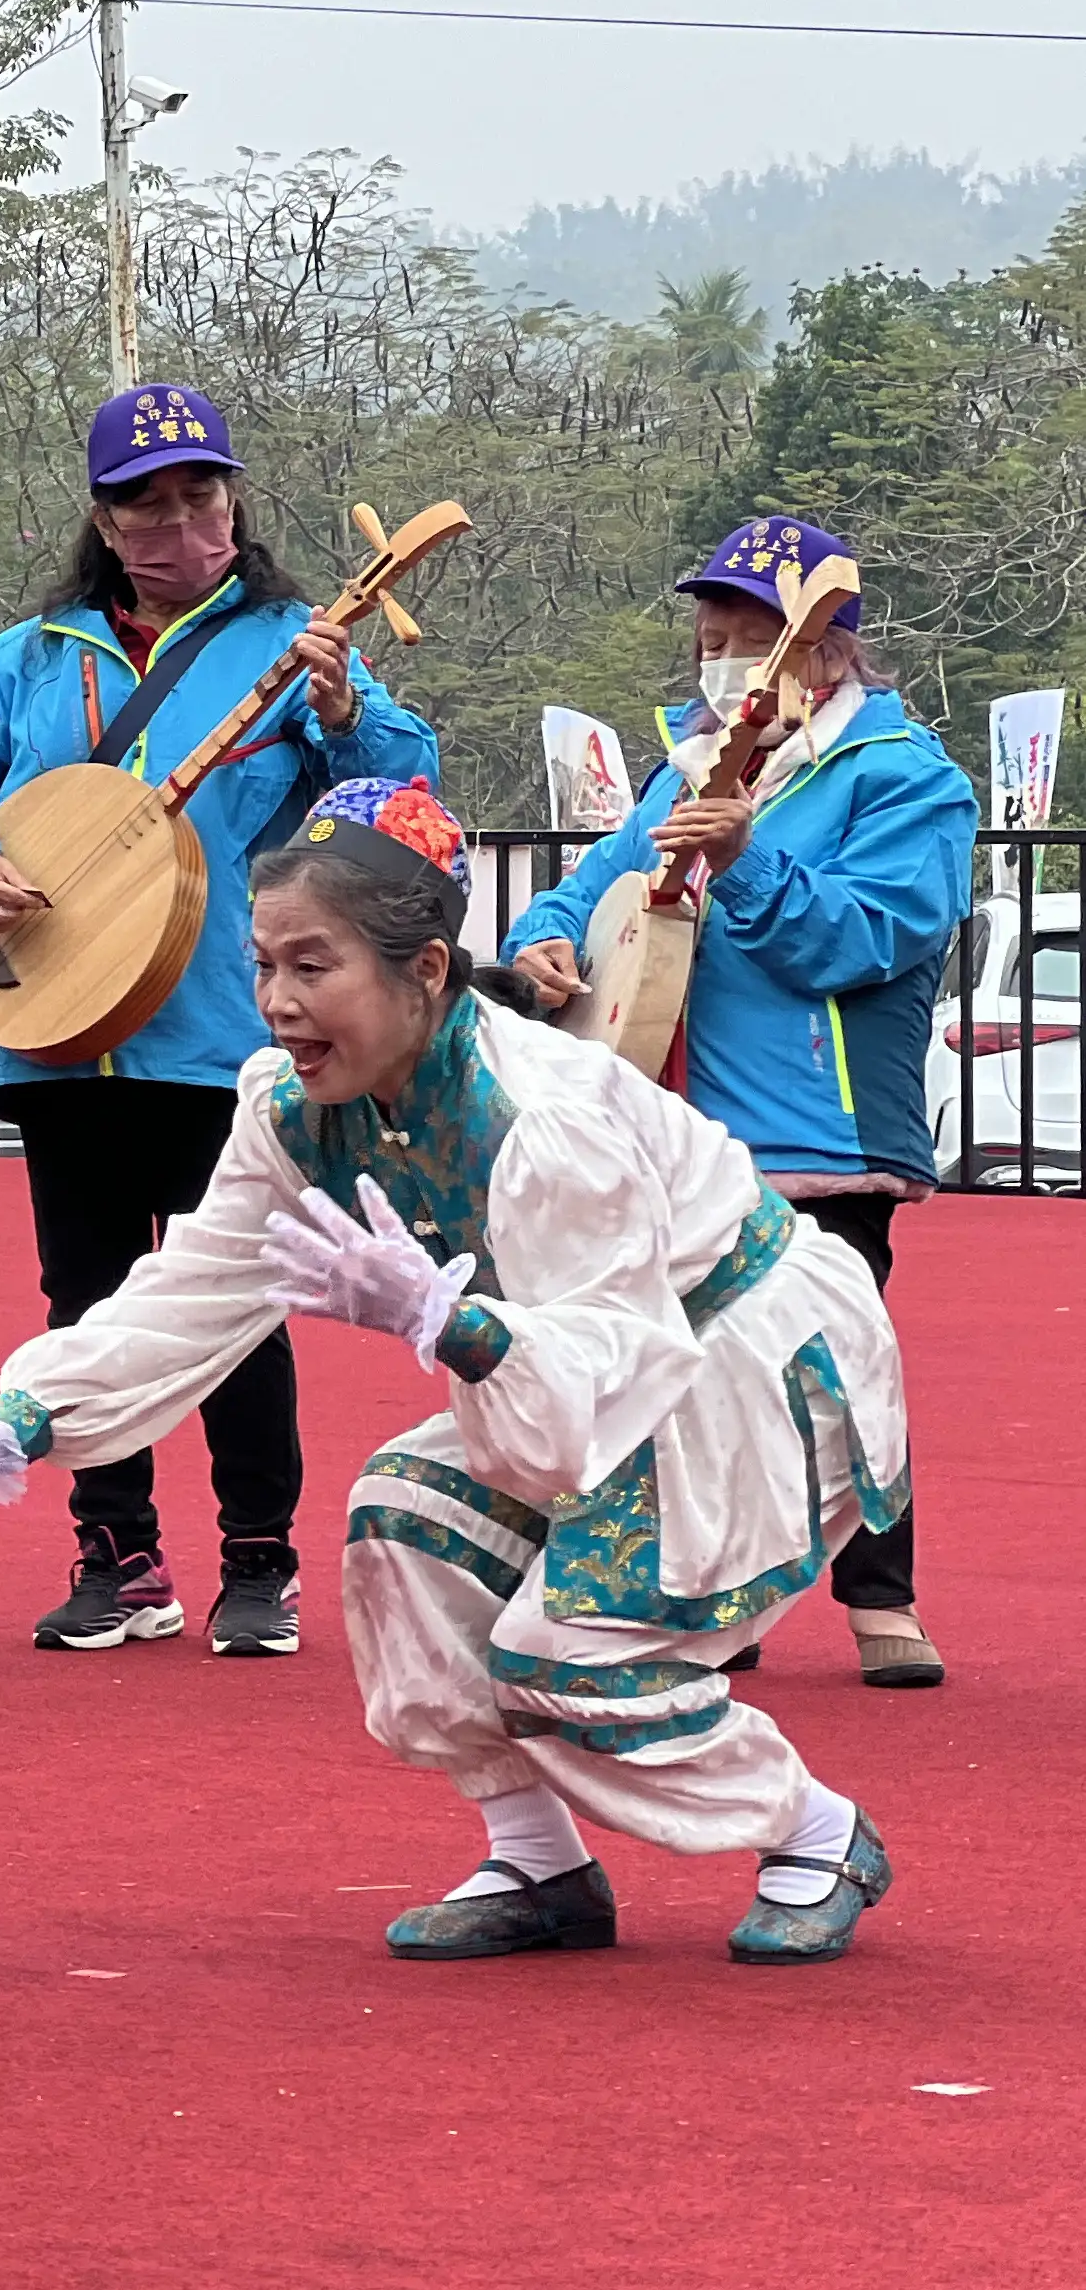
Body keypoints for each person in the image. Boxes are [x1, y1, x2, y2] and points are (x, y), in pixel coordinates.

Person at [0, 781, 908, 1964]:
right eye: (262, 965)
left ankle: (818, 1829)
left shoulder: (541, 1114)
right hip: (568, 1370)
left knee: (577, 1654)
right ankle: (538, 1855)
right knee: (400, 1529)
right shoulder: (289, 1106)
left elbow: (616, 1351)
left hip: (729, 1364)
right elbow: (193, 1287)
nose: (276, 1004)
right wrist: (5, 1430)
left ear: (422, 969)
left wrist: (448, 1322)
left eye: (312, 967)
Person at [0, 383, 442, 1657]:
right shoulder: (27, 660)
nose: (178, 517)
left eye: (201, 492)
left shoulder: (297, 641)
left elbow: (401, 794)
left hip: (230, 1030)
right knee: (85, 1297)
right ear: (105, 515)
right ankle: (117, 1555)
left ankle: (259, 1558)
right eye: (146, 497)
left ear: (234, 501)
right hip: (59, 1031)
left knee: (232, 1295)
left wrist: (345, 710)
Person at [505, 515, 973, 1689]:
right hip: (678, 1123)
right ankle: (725, 1593)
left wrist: (749, 853)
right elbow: (587, 888)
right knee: (691, 1369)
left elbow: (871, 936)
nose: (718, 657)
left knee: (841, 1362)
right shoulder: (687, 764)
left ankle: (884, 1602)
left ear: (822, 649)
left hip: (822, 1130)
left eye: (745, 636)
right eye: (709, 633)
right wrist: (547, 944)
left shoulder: (909, 775)